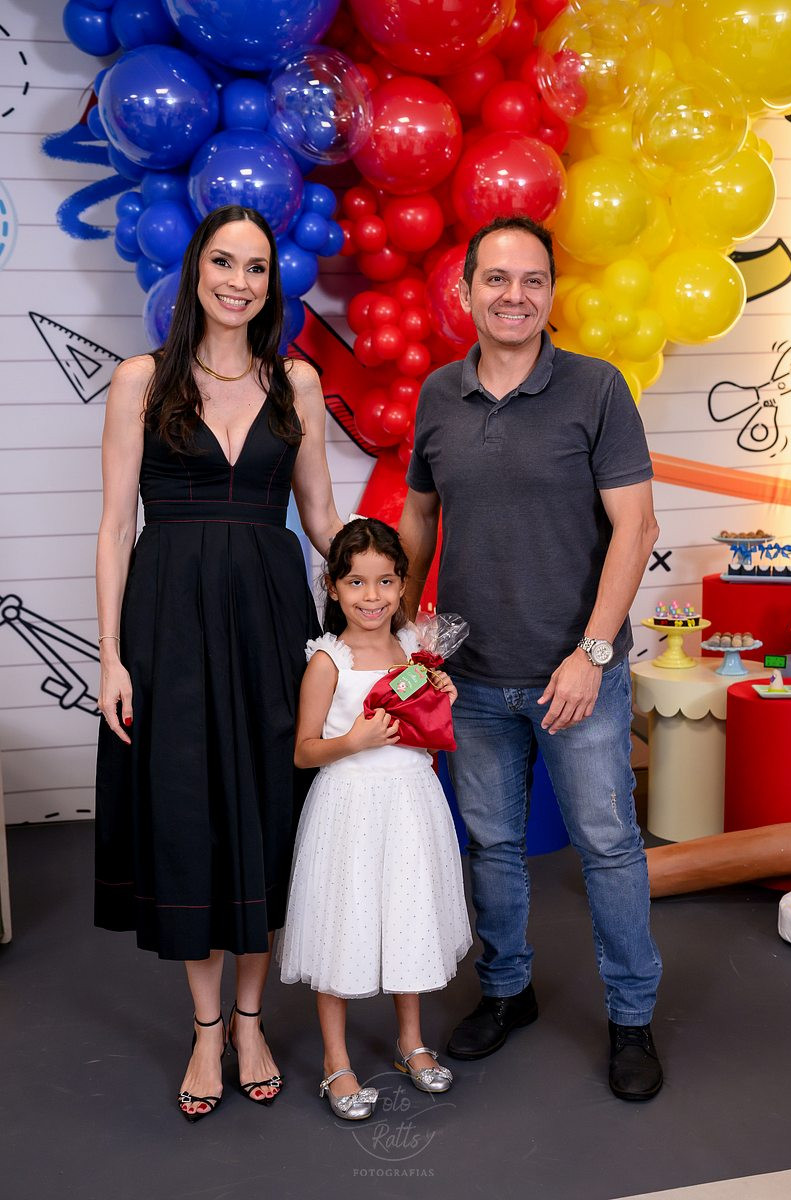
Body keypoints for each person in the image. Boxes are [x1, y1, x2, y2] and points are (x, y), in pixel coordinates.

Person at [398, 215, 664, 1101]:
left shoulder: (596, 388)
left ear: (551, 292)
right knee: (493, 846)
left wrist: (592, 653)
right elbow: (419, 516)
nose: (515, 296)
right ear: (466, 290)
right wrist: (409, 635)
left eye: (533, 280)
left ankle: (632, 1017)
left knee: (609, 847)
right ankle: (507, 991)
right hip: (472, 678)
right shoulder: (438, 394)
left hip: (577, 675)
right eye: (497, 279)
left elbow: (636, 527)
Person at [94, 204, 342, 1122]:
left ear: (272, 283)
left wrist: (386, 591)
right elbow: (115, 527)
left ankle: (250, 1021)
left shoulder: (297, 382)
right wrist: (111, 656)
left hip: (273, 622)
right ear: (196, 271)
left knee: (268, 814)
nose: (240, 281)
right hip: (168, 625)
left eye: (257, 267)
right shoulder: (140, 379)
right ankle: (206, 1032)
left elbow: (321, 518)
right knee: (191, 817)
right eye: (225, 263)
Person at [279, 518, 471, 1120]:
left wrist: (440, 696)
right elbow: (303, 750)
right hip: (350, 807)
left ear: (402, 584)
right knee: (343, 922)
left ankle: (410, 1043)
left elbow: (424, 730)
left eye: (385, 581)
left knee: (406, 915)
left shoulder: (415, 650)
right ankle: (336, 1061)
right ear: (333, 588)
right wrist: (353, 742)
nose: (372, 596)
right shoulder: (327, 660)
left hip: (409, 803)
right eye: (356, 582)